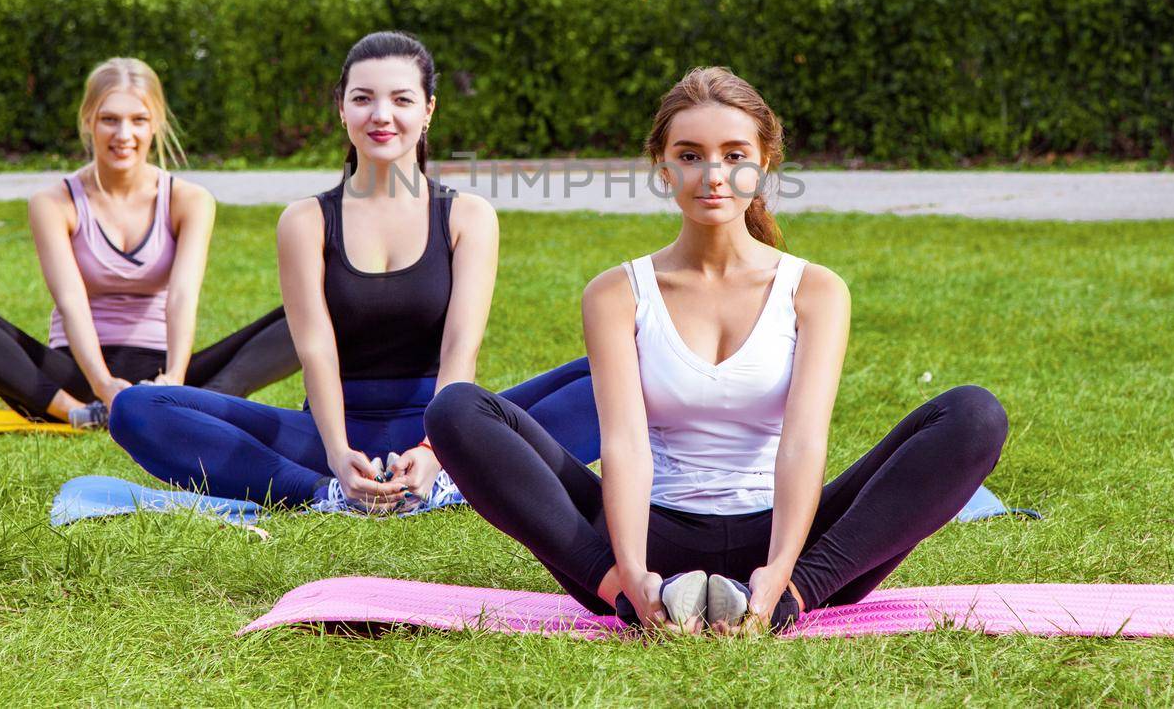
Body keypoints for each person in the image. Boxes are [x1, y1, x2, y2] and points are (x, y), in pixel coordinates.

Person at [426, 67, 1008, 632]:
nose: (713, 175)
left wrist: (781, 573)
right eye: (690, 155)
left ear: (763, 163)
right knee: (455, 410)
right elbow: (624, 445)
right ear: (663, 170)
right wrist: (631, 570)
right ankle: (627, 600)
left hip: (789, 549)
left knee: (974, 414)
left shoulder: (816, 290)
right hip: (650, 539)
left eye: (734, 156)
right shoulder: (615, 292)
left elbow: (805, 442)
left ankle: (785, 604)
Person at [109, 31, 599, 511]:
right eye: (363, 98)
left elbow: (459, 350)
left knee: (619, 374)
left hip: (452, 430)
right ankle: (326, 492)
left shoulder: (467, 216)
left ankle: (445, 478)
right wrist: (338, 455)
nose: (381, 115)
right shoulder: (305, 221)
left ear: (428, 110)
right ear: (341, 109)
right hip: (327, 434)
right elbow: (316, 350)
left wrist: (433, 450)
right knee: (136, 409)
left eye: (401, 99)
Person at [0, 57, 300, 430]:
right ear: (88, 122)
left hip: (163, 373)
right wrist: (103, 386)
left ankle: (200, 402)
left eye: (138, 120)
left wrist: (175, 379)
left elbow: (183, 297)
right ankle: (73, 412)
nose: (124, 135)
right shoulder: (54, 203)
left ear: (156, 125)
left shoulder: (189, 200)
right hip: (78, 376)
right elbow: (71, 302)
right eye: (109, 120)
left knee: (319, 304)